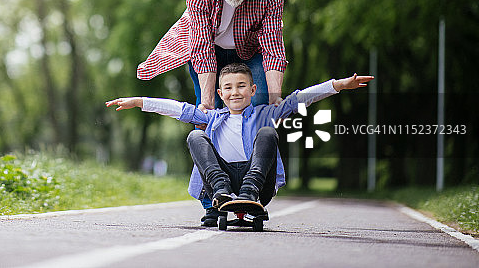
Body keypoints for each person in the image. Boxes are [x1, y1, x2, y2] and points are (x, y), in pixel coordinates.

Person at [106, 63, 373, 225]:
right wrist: (139, 101)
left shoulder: (265, 113)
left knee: (267, 133)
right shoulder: (211, 117)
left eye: (242, 86)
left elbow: (299, 99)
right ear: (220, 94)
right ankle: (220, 191)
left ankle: (248, 193)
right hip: (220, 182)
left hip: (257, 183)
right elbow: (178, 109)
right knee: (195, 136)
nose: (235, 92)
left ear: (253, 90)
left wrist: (338, 85)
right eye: (229, 88)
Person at [137, 0, 286, 110]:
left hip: (250, 50)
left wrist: (275, 98)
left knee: (261, 103)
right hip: (209, 49)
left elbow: (272, 46)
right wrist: (207, 104)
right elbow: (202, 48)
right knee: (208, 108)